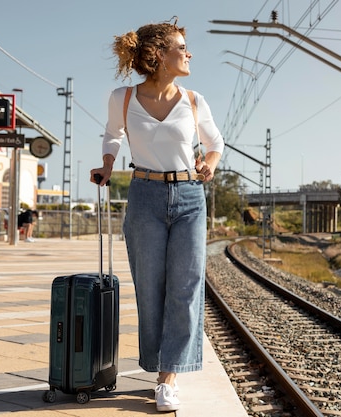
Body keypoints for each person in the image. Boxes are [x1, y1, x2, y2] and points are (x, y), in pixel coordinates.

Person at [89, 17, 224, 412]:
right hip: (144, 194)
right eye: (182, 48)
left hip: (188, 196)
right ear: (159, 56)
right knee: (151, 288)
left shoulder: (195, 100)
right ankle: (158, 365)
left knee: (186, 287)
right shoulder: (123, 98)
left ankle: (169, 377)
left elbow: (215, 143)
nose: (189, 53)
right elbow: (112, 134)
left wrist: (210, 164)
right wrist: (107, 164)